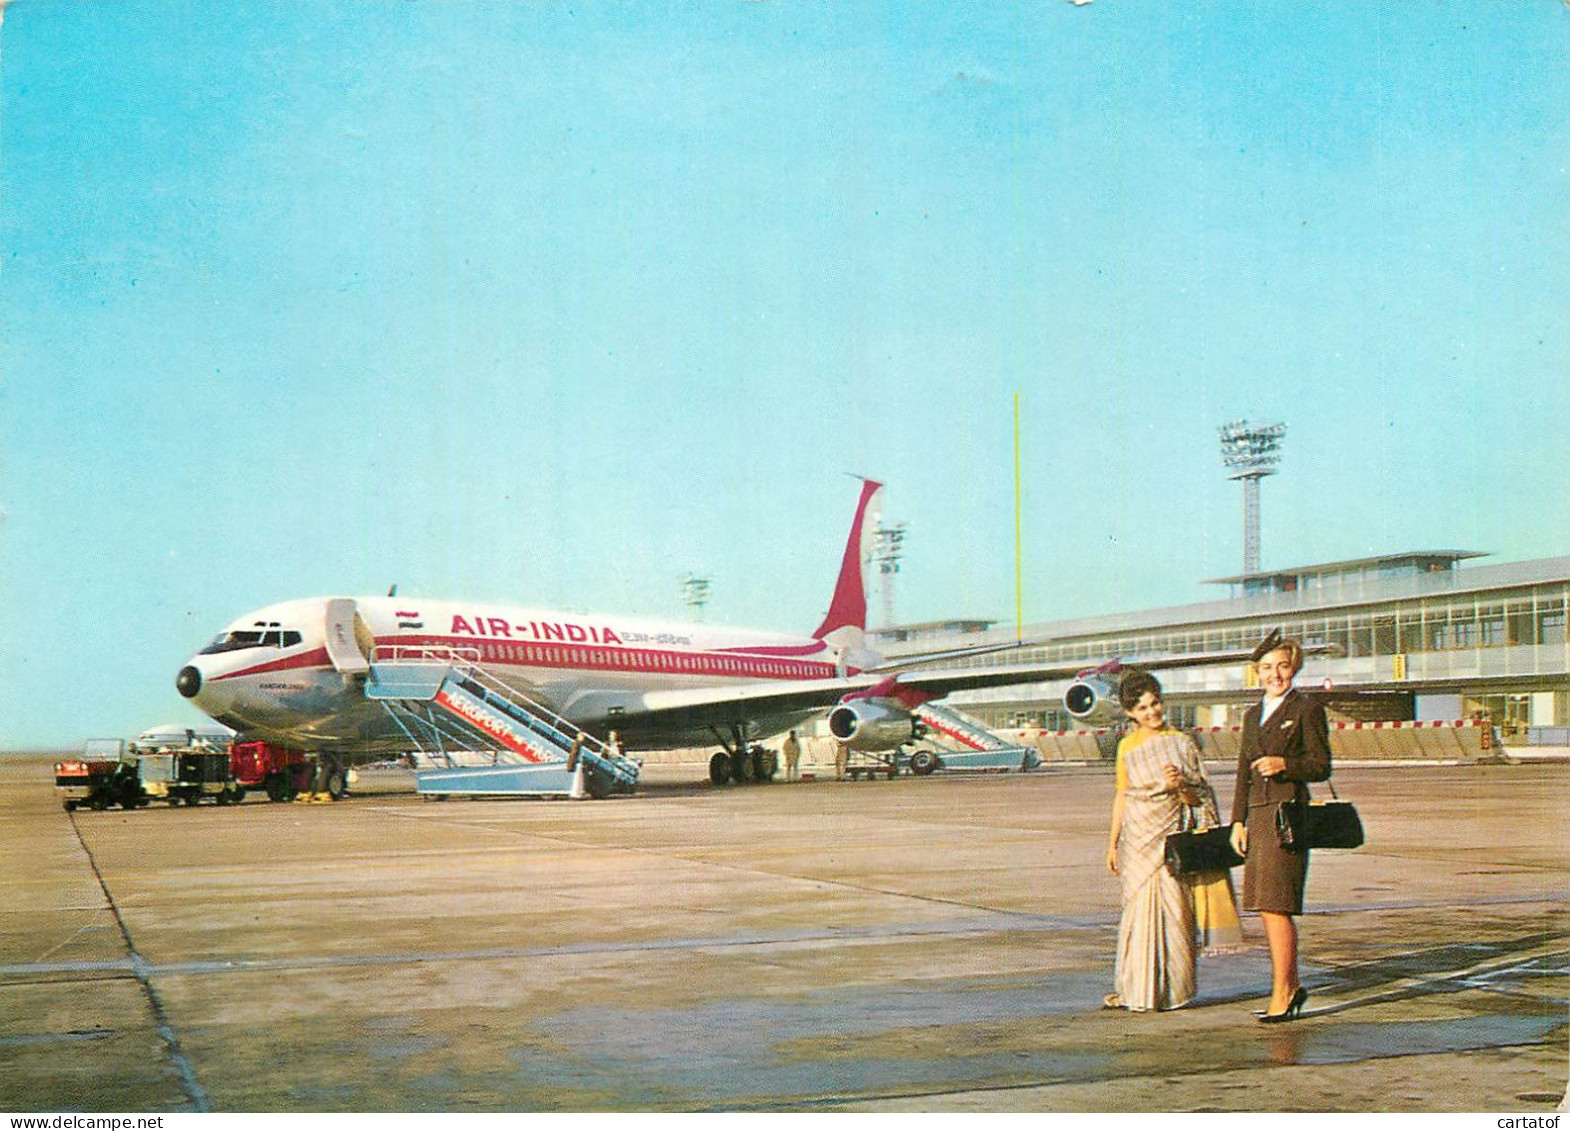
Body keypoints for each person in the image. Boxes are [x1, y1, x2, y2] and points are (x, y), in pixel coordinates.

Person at [1104, 669, 1236, 1011]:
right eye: (1143, 708)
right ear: (1131, 713)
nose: (1152, 713)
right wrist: (1112, 842)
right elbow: (1123, 796)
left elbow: (1200, 798)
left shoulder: (1181, 742)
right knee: (1137, 914)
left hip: (1170, 839)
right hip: (1138, 840)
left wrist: (1180, 785)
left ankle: (1172, 990)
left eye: (1155, 703)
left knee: (1175, 913)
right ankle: (1136, 989)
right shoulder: (1126, 747)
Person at [1228, 637, 1331, 1023]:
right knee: (1264, 906)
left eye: (1283, 666)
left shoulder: (1306, 709)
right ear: (1258, 671)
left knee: (1277, 906)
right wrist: (1237, 821)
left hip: (1287, 816)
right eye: (1268, 667)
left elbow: (1321, 766)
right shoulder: (1253, 714)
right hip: (1257, 816)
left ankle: (1284, 992)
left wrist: (1284, 763)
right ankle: (1290, 986)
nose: (1275, 674)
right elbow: (1242, 771)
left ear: (1294, 669)